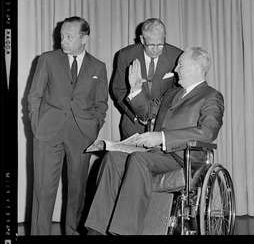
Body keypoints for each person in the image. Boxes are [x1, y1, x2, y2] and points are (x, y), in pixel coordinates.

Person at [85, 47, 224, 235]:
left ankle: (125, 231)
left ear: (196, 67)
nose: (175, 69)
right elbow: (146, 113)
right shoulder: (171, 94)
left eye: (180, 64)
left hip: (184, 158)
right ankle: (96, 228)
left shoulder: (211, 96)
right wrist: (135, 90)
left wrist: (162, 137)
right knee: (113, 158)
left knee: (138, 159)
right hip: (157, 156)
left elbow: (207, 132)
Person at [28, 16, 108, 235]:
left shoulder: (98, 67)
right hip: (48, 133)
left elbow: (101, 104)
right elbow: (34, 96)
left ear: (84, 38)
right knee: (43, 191)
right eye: (61, 36)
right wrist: (37, 125)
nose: (63, 41)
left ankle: (73, 232)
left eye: (69, 37)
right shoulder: (47, 59)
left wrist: (93, 126)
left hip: (81, 136)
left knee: (77, 191)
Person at [112, 18, 182, 140]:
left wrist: (159, 116)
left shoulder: (176, 56)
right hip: (133, 126)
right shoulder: (125, 55)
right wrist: (136, 115)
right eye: (151, 45)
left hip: (164, 127)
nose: (156, 50)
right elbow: (119, 90)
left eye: (160, 45)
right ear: (142, 39)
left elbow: (179, 92)